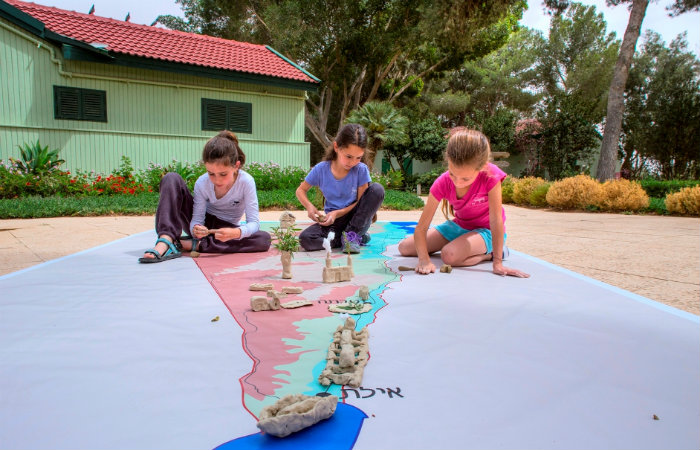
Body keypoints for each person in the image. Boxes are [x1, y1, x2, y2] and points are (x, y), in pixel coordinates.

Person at [398, 127, 529, 278]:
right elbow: (421, 228)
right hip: (460, 226)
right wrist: (424, 260)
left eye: (466, 179)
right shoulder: (442, 183)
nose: (458, 182)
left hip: (486, 230)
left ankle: (490, 254)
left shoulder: (491, 176)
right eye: (453, 174)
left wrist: (497, 262)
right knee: (405, 248)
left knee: (449, 255)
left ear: (481, 168)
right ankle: (462, 244)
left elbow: (496, 220)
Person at [139, 130, 271, 263]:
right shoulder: (202, 183)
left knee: (263, 239)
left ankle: (191, 244)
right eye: (211, 173)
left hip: (227, 229)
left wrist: (236, 233)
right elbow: (196, 219)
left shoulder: (246, 182)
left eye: (223, 174)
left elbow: (254, 223)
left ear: (236, 166)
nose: (217, 180)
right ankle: (166, 240)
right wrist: (195, 228)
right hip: (204, 227)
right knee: (171, 178)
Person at [295, 123, 384, 253]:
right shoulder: (321, 169)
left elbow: (360, 203)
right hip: (334, 222)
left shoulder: (361, 170)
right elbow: (300, 190)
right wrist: (309, 206)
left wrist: (338, 212)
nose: (352, 162)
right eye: (348, 156)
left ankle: (352, 235)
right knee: (306, 239)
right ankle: (353, 238)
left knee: (377, 189)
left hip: (357, 219)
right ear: (336, 147)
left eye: (358, 158)